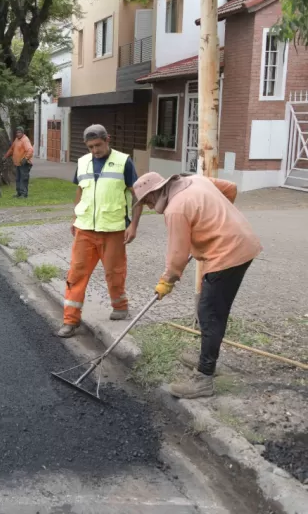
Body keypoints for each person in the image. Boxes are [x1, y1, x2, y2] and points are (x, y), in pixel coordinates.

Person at [133, 172, 262, 398]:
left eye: (147, 201)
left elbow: (176, 257)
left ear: (156, 192)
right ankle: (207, 356)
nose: (150, 207)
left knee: (210, 313)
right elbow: (230, 188)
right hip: (243, 242)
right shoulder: (195, 179)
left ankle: (204, 378)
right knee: (210, 310)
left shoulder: (176, 209)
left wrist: (166, 282)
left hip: (228, 254)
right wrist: (213, 221)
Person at [57, 124, 142, 338]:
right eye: (90, 147)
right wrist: (75, 216)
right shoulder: (83, 162)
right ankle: (70, 320)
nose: (94, 151)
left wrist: (134, 225)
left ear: (108, 139)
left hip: (113, 229)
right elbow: (80, 190)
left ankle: (120, 306)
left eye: (98, 145)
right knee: (75, 275)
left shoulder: (124, 162)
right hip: (85, 229)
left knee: (114, 271)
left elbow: (138, 195)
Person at [3, 127, 34, 198]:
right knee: (18, 179)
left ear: (23, 133)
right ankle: (19, 193)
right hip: (18, 163)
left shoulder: (25, 140)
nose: (18, 134)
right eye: (17, 132)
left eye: (19, 132)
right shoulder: (17, 140)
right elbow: (12, 149)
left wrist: (25, 159)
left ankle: (24, 194)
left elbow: (30, 150)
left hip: (24, 164)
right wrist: (6, 156)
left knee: (23, 178)